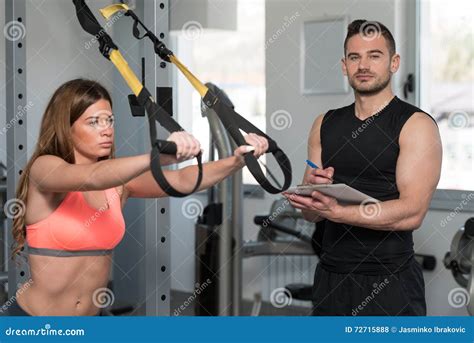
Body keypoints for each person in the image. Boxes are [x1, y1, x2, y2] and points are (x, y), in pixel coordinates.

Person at [3, 79, 269, 316]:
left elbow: (180, 180)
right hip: (33, 321)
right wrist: (158, 157)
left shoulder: (117, 183)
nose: (106, 129)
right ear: (66, 127)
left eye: (109, 120)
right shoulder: (45, 167)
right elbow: (91, 177)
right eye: (94, 122)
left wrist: (236, 161)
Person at [284, 19, 442, 316]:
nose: (363, 65)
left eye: (375, 55)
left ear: (394, 63)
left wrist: (340, 213)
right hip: (331, 278)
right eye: (354, 57)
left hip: (390, 282)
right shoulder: (324, 124)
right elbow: (310, 213)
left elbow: (412, 212)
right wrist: (310, 195)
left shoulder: (416, 125)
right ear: (344, 66)